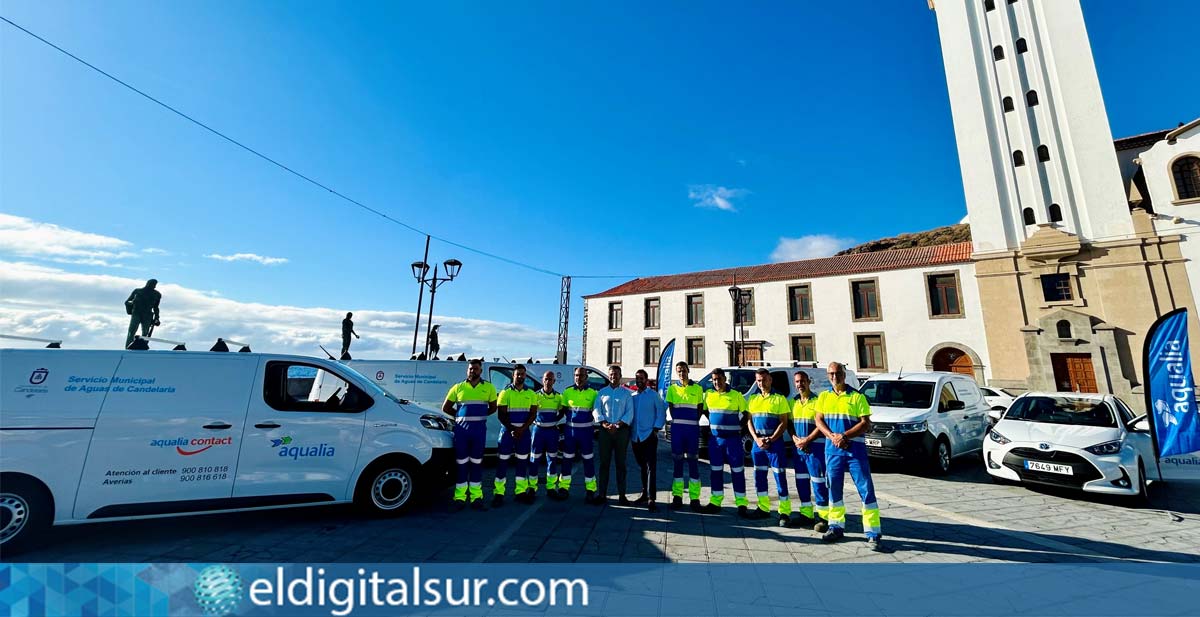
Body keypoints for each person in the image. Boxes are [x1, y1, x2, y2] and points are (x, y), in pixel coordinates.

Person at [815, 361, 884, 550]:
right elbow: (818, 419)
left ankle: (872, 532)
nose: (834, 377)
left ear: (844, 374)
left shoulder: (857, 396)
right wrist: (832, 437)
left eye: (837, 373)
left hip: (855, 451)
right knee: (834, 490)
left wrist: (844, 436)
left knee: (866, 489)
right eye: (831, 374)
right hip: (832, 450)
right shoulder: (824, 397)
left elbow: (865, 423)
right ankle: (836, 526)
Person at [441, 359, 497, 511]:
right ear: (467, 370)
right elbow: (445, 407)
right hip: (461, 431)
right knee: (461, 464)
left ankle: (476, 497)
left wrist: (480, 416)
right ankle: (459, 498)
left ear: (481, 371)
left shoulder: (489, 388)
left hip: (479, 431)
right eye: (471, 369)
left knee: (477, 464)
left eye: (476, 369)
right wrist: (459, 416)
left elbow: (493, 407)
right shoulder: (458, 387)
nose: (473, 371)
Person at [704, 368, 758, 518]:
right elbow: (704, 411)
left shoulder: (736, 395)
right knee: (715, 471)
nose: (717, 382)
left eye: (719, 379)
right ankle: (715, 502)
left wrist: (738, 428)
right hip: (716, 441)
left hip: (733, 440)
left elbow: (746, 414)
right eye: (714, 380)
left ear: (725, 379)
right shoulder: (708, 396)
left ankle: (741, 503)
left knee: (738, 471)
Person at [747, 369, 793, 527]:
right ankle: (763, 508)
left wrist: (771, 439)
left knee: (780, 478)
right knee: (759, 478)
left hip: (775, 444)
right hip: (758, 444)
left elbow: (784, 422)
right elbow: (749, 421)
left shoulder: (779, 398)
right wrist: (756, 439)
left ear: (770, 380)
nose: (761, 383)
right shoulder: (753, 398)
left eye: (764, 380)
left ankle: (784, 512)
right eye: (759, 381)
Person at [493, 364, 538, 506]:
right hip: (507, 432)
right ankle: (499, 494)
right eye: (517, 374)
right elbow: (501, 415)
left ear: (525, 375)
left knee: (522, 463)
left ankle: (520, 492)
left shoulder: (531, 394)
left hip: (524, 433)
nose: (520, 376)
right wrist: (512, 429)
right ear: (513, 375)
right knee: (502, 463)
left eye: (522, 374)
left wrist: (522, 429)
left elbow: (533, 414)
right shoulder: (505, 393)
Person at [666, 361, 705, 511]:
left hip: (692, 430)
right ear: (677, 373)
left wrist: (693, 421)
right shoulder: (672, 389)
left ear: (688, 371)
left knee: (693, 462)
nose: (682, 373)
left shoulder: (698, 388)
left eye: (684, 370)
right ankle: (677, 496)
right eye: (679, 371)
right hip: (677, 430)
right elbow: (671, 408)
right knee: (677, 462)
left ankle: (695, 498)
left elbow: (700, 408)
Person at [790, 371, 826, 531]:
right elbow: (790, 424)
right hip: (799, 450)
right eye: (797, 382)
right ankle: (806, 514)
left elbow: (821, 425)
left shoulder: (818, 401)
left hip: (815, 448)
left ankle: (824, 517)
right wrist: (795, 439)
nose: (800, 384)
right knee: (801, 481)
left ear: (809, 381)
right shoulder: (794, 402)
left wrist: (807, 440)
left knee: (818, 482)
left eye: (803, 381)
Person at [593, 364, 633, 506]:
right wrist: (604, 424)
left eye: (616, 374)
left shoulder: (626, 394)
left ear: (620, 376)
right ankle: (602, 494)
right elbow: (597, 409)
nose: (613, 376)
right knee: (604, 463)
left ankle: (622, 495)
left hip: (621, 432)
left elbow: (630, 412)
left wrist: (618, 425)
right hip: (605, 431)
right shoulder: (602, 392)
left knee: (621, 464)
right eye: (611, 374)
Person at [557, 367, 598, 502]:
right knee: (566, 460)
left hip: (586, 433)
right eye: (576, 375)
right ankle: (564, 487)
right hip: (570, 433)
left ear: (586, 377)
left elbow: (597, 413)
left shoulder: (593, 393)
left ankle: (590, 489)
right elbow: (562, 411)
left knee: (588, 461)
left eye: (581, 375)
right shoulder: (567, 392)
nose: (578, 378)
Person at [630, 369, 666, 512]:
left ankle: (651, 498)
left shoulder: (653, 395)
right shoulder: (632, 396)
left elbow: (661, 412)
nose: (639, 380)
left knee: (651, 467)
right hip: (635, 436)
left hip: (649, 435)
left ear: (647, 379)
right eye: (637, 378)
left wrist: (656, 429)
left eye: (642, 378)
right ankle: (644, 493)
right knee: (642, 466)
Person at [530, 370, 565, 501]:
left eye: (551, 379)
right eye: (546, 379)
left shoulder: (559, 397)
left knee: (552, 460)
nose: (548, 382)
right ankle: (532, 488)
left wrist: (555, 421)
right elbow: (531, 411)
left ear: (554, 381)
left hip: (551, 431)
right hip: (538, 430)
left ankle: (551, 488)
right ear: (542, 380)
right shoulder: (535, 395)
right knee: (534, 459)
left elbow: (562, 412)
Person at [124, 278, 161, 348]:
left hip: (147, 315)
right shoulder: (137, 291)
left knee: (145, 333)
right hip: (136, 313)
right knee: (132, 330)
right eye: (152, 284)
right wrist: (132, 302)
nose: (153, 285)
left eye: (154, 284)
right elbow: (127, 302)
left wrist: (157, 318)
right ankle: (128, 346)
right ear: (147, 283)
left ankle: (142, 346)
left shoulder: (157, 294)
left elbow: (156, 307)